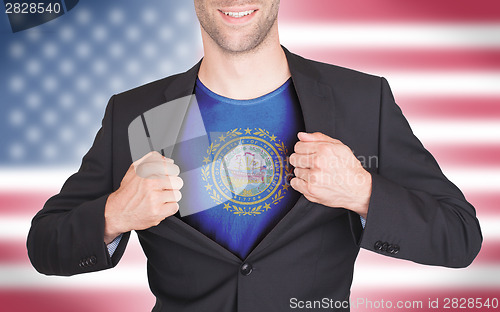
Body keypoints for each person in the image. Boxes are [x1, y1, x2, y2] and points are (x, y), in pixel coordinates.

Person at [27, 1, 482, 311]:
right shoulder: (137, 113)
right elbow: (45, 245)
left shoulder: (362, 100)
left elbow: (460, 236)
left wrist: (363, 191)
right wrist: (114, 214)